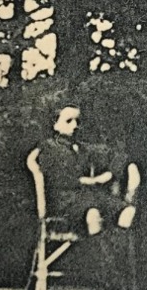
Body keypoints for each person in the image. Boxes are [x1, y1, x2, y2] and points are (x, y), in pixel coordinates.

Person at [37, 101, 136, 238]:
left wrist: (110, 173)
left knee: (127, 210)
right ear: (55, 124)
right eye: (69, 121)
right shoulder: (48, 148)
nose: (75, 125)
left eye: (77, 121)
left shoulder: (83, 148)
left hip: (90, 196)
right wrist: (89, 181)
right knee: (93, 214)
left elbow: (115, 156)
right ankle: (95, 254)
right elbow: (57, 178)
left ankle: (117, 250)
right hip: (65, 201)